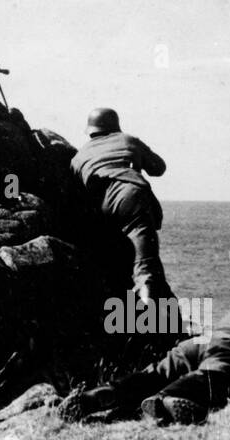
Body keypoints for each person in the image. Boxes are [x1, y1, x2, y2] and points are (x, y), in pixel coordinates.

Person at [62, 274, 230, 426]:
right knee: (215, 374)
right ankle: (172, 397)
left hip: (201, 341)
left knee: (157, 372)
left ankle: (103, 393)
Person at [71, 107, 172, 304]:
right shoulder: (127, 140)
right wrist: (137, 163)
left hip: (101, 208)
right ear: (114, 125)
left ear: (91, 130)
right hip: (130, 197)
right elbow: (159, 168)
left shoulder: (78, 157)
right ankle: (147, 312)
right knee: (145, 265)